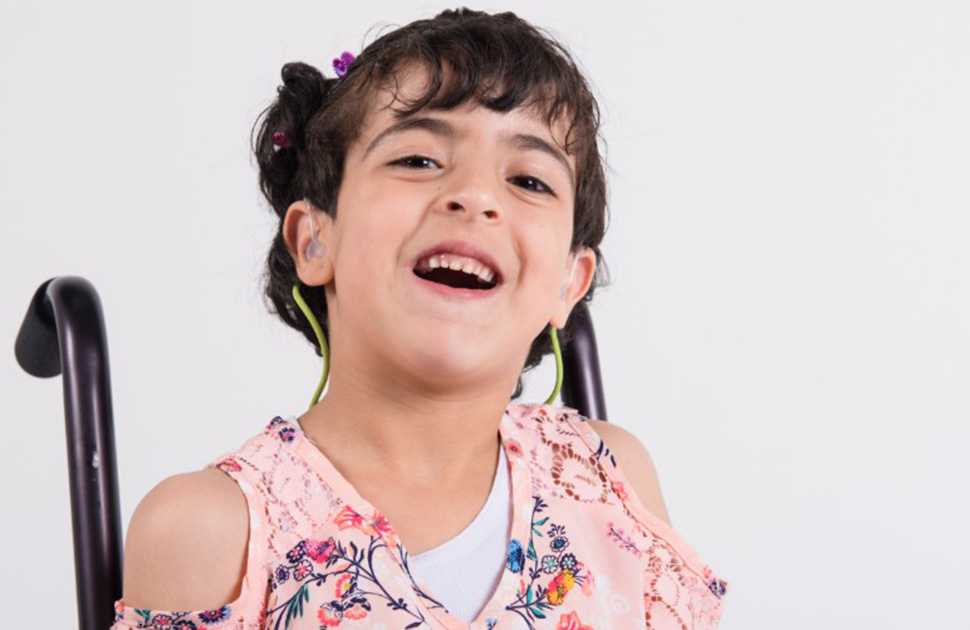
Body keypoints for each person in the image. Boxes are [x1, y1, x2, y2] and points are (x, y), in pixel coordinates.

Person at [110, 8, 728, 629]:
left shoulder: (612, 481)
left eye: (529, 180)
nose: (477, 195)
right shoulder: (215, 531)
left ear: (568, 284)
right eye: (418, 161)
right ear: (315, 241)